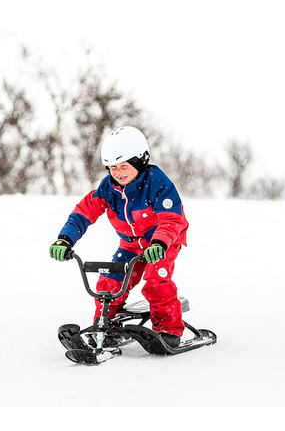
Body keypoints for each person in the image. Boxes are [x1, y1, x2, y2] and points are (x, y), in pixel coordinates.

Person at [49, 126, 188, 347]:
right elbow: (84, 212)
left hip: (163, 242)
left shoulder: (157, 182)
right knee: (109, 282)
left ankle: (168, 330)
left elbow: (172, 219)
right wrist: (65, 239)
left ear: (140, 163)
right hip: (130, 244)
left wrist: (160, 242)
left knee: (155, 281)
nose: (118, 172)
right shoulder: (108, 188)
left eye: (124, 166)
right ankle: (107, 325)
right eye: (113, 167)